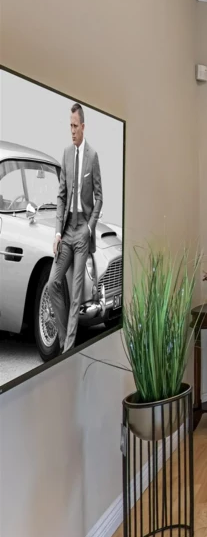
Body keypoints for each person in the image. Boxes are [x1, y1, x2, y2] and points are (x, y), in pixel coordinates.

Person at [49, 102, 103, 352]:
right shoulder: (66, 154)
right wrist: (58, 232)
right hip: (67, 230)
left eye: (74, 126)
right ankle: (64, 342)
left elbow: (100, 197)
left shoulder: (92, 156)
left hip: (82, 232)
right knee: (53, 284)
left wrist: (90, 228)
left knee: (76, 291)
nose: (71, 131)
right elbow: (61, 196)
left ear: (83, 126)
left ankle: (67, 350)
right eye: (69, 126)